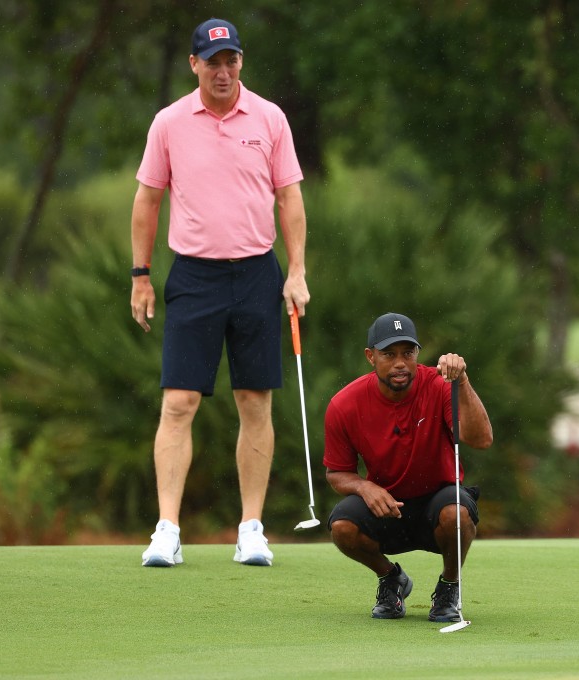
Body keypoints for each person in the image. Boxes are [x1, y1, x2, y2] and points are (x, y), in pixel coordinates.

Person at [129, 18, 309, 567]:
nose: (223, 70)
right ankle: (167, 530)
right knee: (178, 403)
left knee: (254, 400)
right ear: (194, 66)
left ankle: (251, 529)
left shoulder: (270, 118)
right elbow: (147, 202)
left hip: (257, 272)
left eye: (231, 60)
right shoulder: (169, 123)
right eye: (213, 62)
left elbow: (290, 200)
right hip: (194, 275)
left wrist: (296, 270)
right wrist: (140, 275)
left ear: (241, 62)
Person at [323, 313, 493, 621]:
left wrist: (463, 381)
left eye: (408, 353)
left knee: (456, 512)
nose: (400, 363)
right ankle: (391, 578)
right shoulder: (344, 404)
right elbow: (336, 473)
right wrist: (365, 486)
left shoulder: (441, 385)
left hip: (439, 501)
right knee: (342, 527)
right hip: (389, 507)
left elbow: (481, 439)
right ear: (370, 357)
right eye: (389, 354)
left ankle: (449, 586)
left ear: (417, 354)